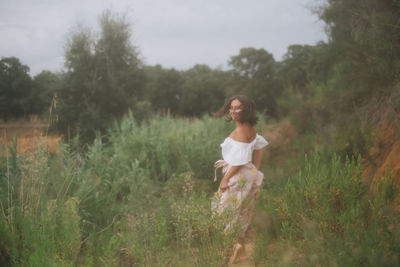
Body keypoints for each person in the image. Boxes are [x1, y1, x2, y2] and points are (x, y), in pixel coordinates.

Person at [212, 95, 269, 264]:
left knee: (226, 212)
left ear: (247, 109)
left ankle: (228, 254)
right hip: (247, 174)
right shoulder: (249, 127)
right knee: (242, 212)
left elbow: (240, 160)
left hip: (238, 175)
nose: (233, 111)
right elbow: (259, 147)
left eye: (238, 107)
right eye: (231, 107)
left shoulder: (241, 129)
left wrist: (225, 180)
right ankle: (238, 249)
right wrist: (255, 170)